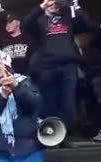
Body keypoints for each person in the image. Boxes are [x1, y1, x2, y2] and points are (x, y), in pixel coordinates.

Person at [23, 0, 91, 147]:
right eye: (52, 1)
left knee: (68, 103)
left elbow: (86, 25)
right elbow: (26, 24)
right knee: (49, 103)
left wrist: (75, 5)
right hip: (46, 67)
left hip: (67, 66)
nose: (55, 4)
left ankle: (65, 137)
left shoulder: (67, 17)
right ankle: (51, 136)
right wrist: (41, 7)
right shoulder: (39, 20)